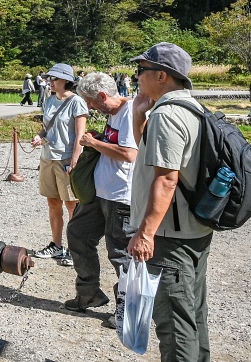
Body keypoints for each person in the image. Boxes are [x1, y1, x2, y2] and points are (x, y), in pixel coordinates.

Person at [126, 43, 212, 362]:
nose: (136, 76)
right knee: (192, 314)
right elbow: (154, 155)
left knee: (174, 323)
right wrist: (138, 115)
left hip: (169, 237)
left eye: (141, 70)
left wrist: (145, 233)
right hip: (194, 228)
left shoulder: (168, 115)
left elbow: (166, 178)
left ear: (161, 76)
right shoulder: (193, 109)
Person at [64, 71, 137, 328]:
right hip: (100, 193)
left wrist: (93, 143)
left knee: (120, 253)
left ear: (103, 95)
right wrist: (101, 138)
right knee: (77, 234)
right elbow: (116, 144)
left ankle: (128, 311)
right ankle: (89, 293)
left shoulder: (130, 113)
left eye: (92, 102)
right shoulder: (114, 114)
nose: (90, 107)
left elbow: (128, 154)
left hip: (121, 197)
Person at [30, 63, 87, 265]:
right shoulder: (49, 100)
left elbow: (80, 135)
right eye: (50, 78)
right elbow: (46, 128)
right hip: (48, 157)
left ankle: (74, 249)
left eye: (54, 79)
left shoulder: (77, 102)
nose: (50, 82)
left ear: (66, 80)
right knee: (52, 202)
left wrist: (74, 161)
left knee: (72, 205)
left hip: (65, 159)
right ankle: (56, 245)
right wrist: (39, 137)